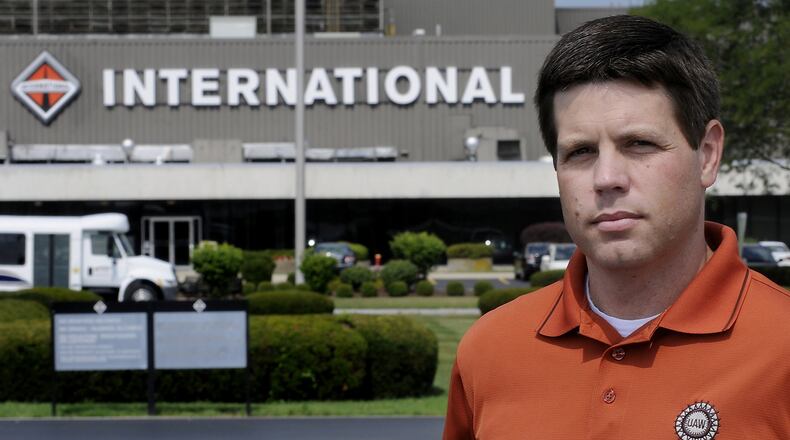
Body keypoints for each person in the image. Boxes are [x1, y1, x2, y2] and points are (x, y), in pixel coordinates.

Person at [443, 15, 790, 439]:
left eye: (639, 144)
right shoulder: (488, 351)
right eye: (581, 151)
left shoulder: (782, 347)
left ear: (708, 155)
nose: (607, 177)